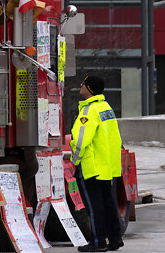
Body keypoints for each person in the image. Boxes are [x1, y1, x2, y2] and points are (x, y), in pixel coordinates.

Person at [70, 75, 124, 252]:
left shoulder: (89, 111)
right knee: (107, 203)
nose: (80, 85)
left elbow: (80, 140)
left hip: (90, 166)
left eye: (84, 83)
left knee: (94, 207)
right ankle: (115, 239)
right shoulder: (106, 108)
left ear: (90, 89)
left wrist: (74, 160)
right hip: (105, 166)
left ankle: (97, 242)